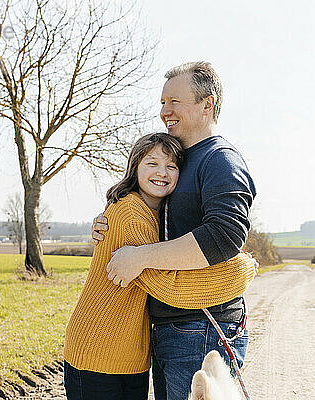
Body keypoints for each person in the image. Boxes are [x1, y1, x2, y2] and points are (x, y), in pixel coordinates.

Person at [93, 62, 257, 400]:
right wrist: (109, 219)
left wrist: (140, 257)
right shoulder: (182, 158)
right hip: (172, 327)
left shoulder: (219, 159)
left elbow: (224, 236)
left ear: (207, 105)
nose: (165, 111)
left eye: (174, 102)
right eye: (162, 102)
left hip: (203, 327)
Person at [64, 133, 257, 400]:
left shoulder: (159, 212)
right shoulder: (131, 213)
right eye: (152, 163)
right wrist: (242, 269)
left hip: (129, 353)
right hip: (99, 349)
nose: (162, 173)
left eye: (172, 166)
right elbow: (169, 286)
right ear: (135, 167)